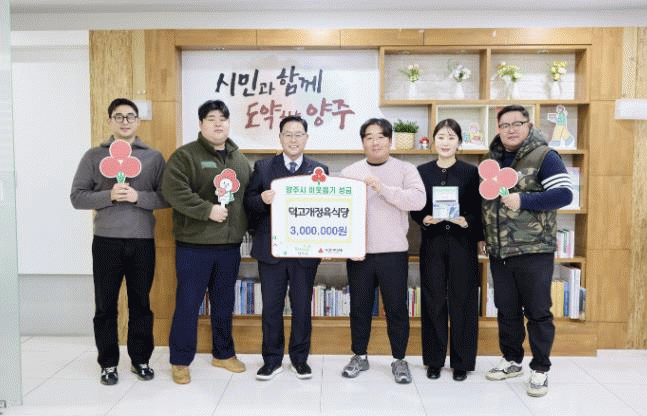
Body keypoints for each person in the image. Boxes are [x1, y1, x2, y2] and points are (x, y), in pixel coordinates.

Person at [71, 98, 168, 385]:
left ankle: (140, 360)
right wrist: (108, 195)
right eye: (119, 116)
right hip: (106, 241)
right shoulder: (94, 156)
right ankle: (108, 363)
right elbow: (77, 197)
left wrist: (139, 197)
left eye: (130, 116)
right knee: (105, 305)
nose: (125, 121)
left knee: (141, 303)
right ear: (110, 121)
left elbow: (166, 197)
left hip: (142, 241)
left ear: (138, 121)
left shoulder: (153, 157)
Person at [481, 105, 573, 397]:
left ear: (528, 125)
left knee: (537, 311)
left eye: (517, 123)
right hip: (499, 251)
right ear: (498, 128)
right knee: (506, 310)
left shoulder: (545, 156)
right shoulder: (490, 160)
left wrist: (524, 200)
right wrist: (484, 237)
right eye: (504, 125)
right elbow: (487, 204)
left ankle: (541, 368)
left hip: (534, 249)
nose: (511, 129)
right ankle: (512, 360)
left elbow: (564, 194)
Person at [161, 99, 251, 384]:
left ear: (229, 123)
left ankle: (223, 354)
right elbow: (173, 191)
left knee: (224, 304)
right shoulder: (185, 156)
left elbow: (247, 198)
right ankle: (180, 360)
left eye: (222, 119)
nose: (218, 124)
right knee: (188, 304)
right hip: (195, 246)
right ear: (201, 124)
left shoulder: (239, 159)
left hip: (229, 247)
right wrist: (206, 210)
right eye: (211, 119)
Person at [340, 118, 426, 384]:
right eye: (369, 137)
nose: (375, 142)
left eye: (380, 137)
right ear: (362, 142)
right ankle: (359, 356)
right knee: (359, 308)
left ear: (389, 141)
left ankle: (399, 359)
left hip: (393, 252)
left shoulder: (405, 169)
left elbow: (418, 200)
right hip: (359, 254)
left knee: (397, 309)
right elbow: (340, 211)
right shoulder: (350, 172)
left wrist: (383, 188)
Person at [243, 115, 329, 381]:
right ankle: (271, 360)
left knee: (302, 308)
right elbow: (248, 201)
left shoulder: (319, 169)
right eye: (288, 134)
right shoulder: (264, 167)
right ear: (280, 137)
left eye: (298, 134)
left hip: (305, 251)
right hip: (272, 250)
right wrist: (262, 199)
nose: (293, 139)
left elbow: (326, 209)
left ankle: (300, 360)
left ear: (306, 138)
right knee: (271, 307)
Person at [411, 119, 482, 382]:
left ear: (459, 143)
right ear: (433, 141)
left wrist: (467, 221)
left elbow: (479, 208)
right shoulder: (421, 172)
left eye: (451, 137)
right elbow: (415, 205)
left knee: (463, 300)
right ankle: (434, 360)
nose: (446, 142)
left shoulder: (470, 172)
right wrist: (423, 218)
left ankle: (462, 361)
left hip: (463, 243)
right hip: (433, 242)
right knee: (433, 301)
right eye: (441, 137)